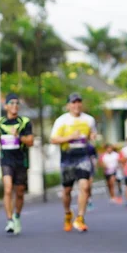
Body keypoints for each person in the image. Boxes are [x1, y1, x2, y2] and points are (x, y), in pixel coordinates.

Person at [50, 93, 97, 232]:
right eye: (73, 102)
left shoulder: (89, 120)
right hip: (67, 156)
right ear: (68, 105)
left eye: (78, 102)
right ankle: (67, 213)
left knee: (84, 186)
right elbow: (53, 139)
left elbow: (92, 134)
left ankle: (80, 218)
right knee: (67, 190)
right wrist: (70, 137)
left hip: (83, 155)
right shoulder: (62, 121)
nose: (76, 105)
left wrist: (92, 136)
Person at [0, 93, 33, 235]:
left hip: (21, 160)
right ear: (6, 106)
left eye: (17, 103)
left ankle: (17, 216)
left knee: (19, 192)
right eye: (11, 103)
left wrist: (18, 137)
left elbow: (31, 141)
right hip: (6, 160)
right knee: (8, 189)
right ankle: (9, 220)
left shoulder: (25, 122)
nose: (14, 105)